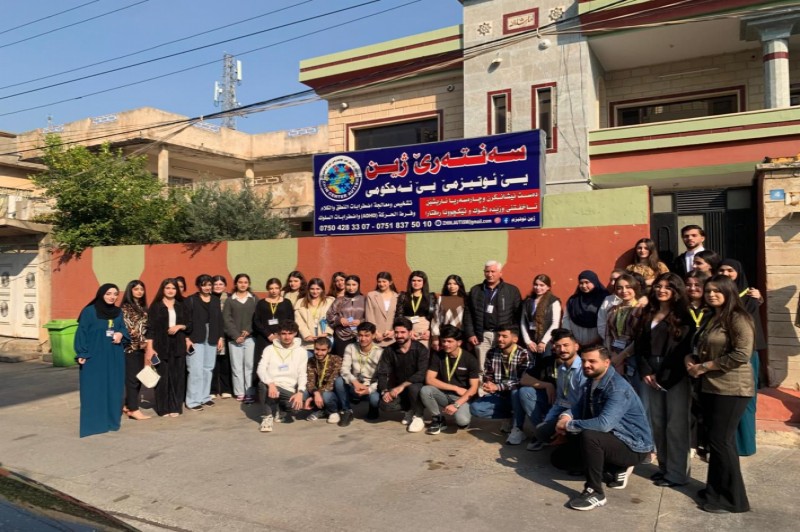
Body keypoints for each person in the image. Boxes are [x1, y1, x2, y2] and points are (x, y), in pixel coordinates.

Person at [686, 275, 754, 514]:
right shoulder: (712, 316)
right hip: (711, 386)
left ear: (728, 291)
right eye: (708, 291)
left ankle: (733, 500)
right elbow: (701, 346)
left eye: (717, 290)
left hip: (732, 388)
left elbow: (741, 354)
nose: (711, 295)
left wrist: (705, 367)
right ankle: (715, 491)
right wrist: (691, 359)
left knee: (721, 441)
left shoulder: (738, 317)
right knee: (717, 441)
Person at [557, 345, 654, 511]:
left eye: (592, 361)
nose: (586, 365)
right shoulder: (592, 380)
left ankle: (595, 492)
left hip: (633, 446)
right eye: (584, 361)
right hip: (611, 438)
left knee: (589, 436)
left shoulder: (618, 387)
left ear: (606, 363)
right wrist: (565, 417)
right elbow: (579, 407)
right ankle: (614, 468)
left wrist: (569, 425)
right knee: (559, 459)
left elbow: (603, 424)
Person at [635, 272, 693, 487]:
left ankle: (677, 474)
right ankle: (664, 468)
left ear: (676, 291)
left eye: (668, 287)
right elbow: (639, 344)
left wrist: (664, 377)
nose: (662, 290)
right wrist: (646, 370)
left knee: (675, 424)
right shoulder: (648, 313)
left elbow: (684, 349)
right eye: (658, 286)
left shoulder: (684, 316)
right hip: (650, 371)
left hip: (674, 373)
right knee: (658, 422)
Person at [718, 258, 764, 456]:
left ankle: (745, 445)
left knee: (745, 400)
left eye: (730, 270)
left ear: (739, 273)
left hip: (744, 353)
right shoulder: (717, 294)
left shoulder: (749, 296)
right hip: (723, 353)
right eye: (722, 270)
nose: (726, 274)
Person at [74, 284, 129, 437]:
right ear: (101, 294)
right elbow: (82, 332)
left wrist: (120, 334)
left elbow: (123, 329)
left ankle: (111, 422)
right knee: (94, 389)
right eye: (108, 293)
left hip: (114, 355)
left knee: (113, 389)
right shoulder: (89, 311)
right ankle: (95, 424)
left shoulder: (118, 312)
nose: (112, 297)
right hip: (94, 356)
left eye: (115, 294)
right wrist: (82, 352)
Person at [469, 325, 535, 445]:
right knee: (476, 408)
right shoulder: (492, 352)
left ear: (515, 339)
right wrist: (488, 383)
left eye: (504, 336)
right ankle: (510, 417)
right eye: (498, 336)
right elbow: (488, 374)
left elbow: (522, 380)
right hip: (500, 395)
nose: (499, 339)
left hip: (517, 395)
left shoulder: (524, 354)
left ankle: (518, 428)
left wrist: (498, 386)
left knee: (516, 392)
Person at [526, 329, 586, 451]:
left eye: (566, 345)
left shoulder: (584, 370)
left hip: (580, 415)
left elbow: (583, 405)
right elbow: (559, 401)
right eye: (558, 346)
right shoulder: (562, 369)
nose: (562, 349)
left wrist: (565, 417)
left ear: (576, 346)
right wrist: (547, 421)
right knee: (541, 430)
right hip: (565, 410)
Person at [419, 325, 479, 434]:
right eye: (443, 341)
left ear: (459, 342)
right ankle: (438, 419)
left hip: (462, 397)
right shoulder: (438, 355)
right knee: (425, 390)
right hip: (444, 394)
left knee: (462, 422)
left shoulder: (470, 359)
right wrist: (455, 388)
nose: (446, 344)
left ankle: (462, 414)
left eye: (450, 341)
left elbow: (474, 388)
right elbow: (429, 379)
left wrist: (456, 405)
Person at [463, 260, 522, 371]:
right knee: (482, 367)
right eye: (487, 271)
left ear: (500, 273)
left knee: (502, 366)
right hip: (482, 335)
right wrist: (470, 334)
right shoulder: (475, 290)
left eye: (493, 271)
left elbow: (518, 315)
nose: (490, 274)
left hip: (503, 336)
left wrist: (514, 335)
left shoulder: (512, 291)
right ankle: (482, 383)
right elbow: (468, 314)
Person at [375, 317, 430, 432]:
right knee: (385, 405)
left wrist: (402, 386)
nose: (399, 335)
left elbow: (422, 373)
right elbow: (383, 372)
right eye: (396, 332)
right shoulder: (389, 350)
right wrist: (385, 390)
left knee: (413, 388)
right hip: (398, 388)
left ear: (410, 333)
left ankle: (419, 416)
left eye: (403, 332)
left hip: (417, 387)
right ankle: (409, 410)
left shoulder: (421, 349)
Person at [145, 278, 189, 417]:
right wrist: (150, 348)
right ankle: (163, 408)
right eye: (168, 288)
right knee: (162, 378)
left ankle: (175, 407)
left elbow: (190, 324)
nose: (171, 291)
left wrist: (179, 326)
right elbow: (150, 329)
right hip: (160, 345)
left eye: (173, 288)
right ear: (162, 289)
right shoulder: (156, 306)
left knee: (177, 377)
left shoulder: (182, 305)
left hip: (178, 345)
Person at [256, 320, 308, 432]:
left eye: (290, 333)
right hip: (272, 385)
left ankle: (280, 408)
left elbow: (302, 374)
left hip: (288, 388)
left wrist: (300, 392)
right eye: (283, 333)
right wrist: (270, 383)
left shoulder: (301, 351)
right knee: (262, 385)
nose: (287, 337)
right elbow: (261, 369)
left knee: (296, 409)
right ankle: (267, 417)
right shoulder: (269, 349)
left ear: (295, 333)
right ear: (278, 334)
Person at [184, 274, 225, 412]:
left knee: (208, 368)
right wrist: (187, 338)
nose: (207, 287)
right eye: (204, 285)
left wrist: (220, 337)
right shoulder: (190, 300)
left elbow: (219, 320)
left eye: (209, 285)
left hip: (212, 335)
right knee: (195, 370)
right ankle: (192, 401)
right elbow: (185, 320)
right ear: (198, 286)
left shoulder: (215, 300)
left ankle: (204, 397)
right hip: (195, 336)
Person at [337, 321, 384, 421]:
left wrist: (369, 389)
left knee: (374, 399)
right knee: (339, 381)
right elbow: (344, 369)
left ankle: (373, 408)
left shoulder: (380, 352)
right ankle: (347, 410)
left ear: (373, 335)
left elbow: (382, 377)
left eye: (367, 335)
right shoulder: (351, 347)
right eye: (360, 335)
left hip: (371, 386)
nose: (363, 339)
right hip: (355, 384)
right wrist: (355, 382)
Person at [603, 273, 643, 388]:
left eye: (628, 287)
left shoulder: (641, 309)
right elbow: (608, 334)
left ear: (635, 288)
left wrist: (621, 357)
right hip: (614, 355)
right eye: (619, 288)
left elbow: (640, 337)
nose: (624, 291)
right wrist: (612, 355)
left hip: (634, 355)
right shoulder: (612, 310)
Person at [223, 273, 258, 403]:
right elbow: (226, 319)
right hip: (234, 340)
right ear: (236, 284)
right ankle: (240, 392)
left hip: (250, 338)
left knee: (249, 366)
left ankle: (250, 392)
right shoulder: (230, 300)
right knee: (236, 367)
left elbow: (257, 317)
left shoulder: (253, 299)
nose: (243, 285)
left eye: (245, 282)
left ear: (248, 284)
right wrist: (236, 335)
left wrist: (248, 330)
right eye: (240, 282)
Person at [120, 280, 150, 421]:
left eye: (141, 289)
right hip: (131, 348)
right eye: (136, 289)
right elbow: (129, 329)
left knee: (138, 378)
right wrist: (142, 341)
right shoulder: (125, 308)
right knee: (132, 379)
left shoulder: (142, 307)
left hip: (141, 348)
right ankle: (133, 409)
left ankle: (128, 405)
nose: (139, 291)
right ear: (130, 291)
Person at [253, 278, 294, 382]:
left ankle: (281, 385)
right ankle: (262, 386)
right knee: (263, 363)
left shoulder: (287, 303)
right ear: (267, 289)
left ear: (280, 289)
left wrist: (279, 334)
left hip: (282, 338)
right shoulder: (261, 303)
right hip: (264, 338)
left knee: (280, 362)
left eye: (276, 288)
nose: (274, 291)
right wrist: (268, 334)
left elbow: (291, 320)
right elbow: (256, 321)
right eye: (271, 288)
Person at [304, 337, 346, 425]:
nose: (319, 353)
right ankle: (321, 411)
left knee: (326, 395)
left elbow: (331, 384)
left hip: (332, 393)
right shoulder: (311, 360)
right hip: (317, 392)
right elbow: (310, 381)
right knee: (303, 394)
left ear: (329, 349)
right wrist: (315, 393)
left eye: (323, 350)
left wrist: (314, 397)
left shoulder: (336, 359)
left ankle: (333, 411)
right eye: (317, 349)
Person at [563, 271, 609, 347]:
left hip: (599, 343)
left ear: (594, 282)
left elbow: (607, 322)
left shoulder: (605, 299)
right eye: (581, 283)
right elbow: (566, 320)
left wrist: (598, 341)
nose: (584, 286)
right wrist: (571, 340)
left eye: (587, 282)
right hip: (576, 344)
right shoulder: (573, 300)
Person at [520, 274, 561, 357]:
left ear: (548, 287)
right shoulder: (528, 301)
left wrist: (543, 342)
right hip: (531, 342)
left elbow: (555, 324)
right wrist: (528, 341)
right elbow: (523, 322)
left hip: (548, 341)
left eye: (542, 285)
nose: (538, 288)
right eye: (536, 285)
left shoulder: (554, 302)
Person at [326, 274, 366, 356]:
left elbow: (370, 316)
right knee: (341, 360)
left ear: (358, 285)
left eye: (354, 285)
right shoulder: (339, 300)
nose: (351, 288)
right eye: (348, 285)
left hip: (360, 336)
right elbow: (329, 315)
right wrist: (339, 320)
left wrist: (360, 321)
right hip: (341, 336)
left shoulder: (365, 300)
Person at [395, 270, 435, 348]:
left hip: (424, 331)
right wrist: (408, 330)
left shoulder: (431, 297)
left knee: (423, 353)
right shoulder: (403, 296)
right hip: (406, 329)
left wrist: (429, 331)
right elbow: (399, 315)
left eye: (419, 281)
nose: (416, 283)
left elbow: (434, 317)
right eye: (414, 280)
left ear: (424, 282)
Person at [295, 277, 334, 356]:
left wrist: (327, 332)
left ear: (322, 289)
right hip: (307, 342)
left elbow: (332, 318)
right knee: (309, 361)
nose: (315, 291)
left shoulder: (330, 301)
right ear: (308, 289)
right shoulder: (300, 302)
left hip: (324, 339)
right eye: (312, 289)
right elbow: (299, 321)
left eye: (318, 289)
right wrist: (307, 335)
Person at [430, 274, 467, 352]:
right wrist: (435, 337)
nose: (452, 286)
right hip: (444, 335)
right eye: (449, 284)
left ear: (459, 285)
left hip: (460, 336)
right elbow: (436, 319)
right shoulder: (441, 299)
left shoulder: (465, 299)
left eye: (455, 284)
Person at [210, 275, 233, 399]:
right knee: (212, 363)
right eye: (215, 284)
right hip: (212, 333)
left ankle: (226, 389)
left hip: (227, 334)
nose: (218, 286)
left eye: (220, 284)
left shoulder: (230, 298)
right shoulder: (208, 297)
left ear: (225, 286)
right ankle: (212, 390)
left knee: (225, 362)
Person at [365, 272, 399, 347]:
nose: (381, 284)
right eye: (379, 282)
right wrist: (375, 332)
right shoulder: (371, 295)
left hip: (392, 338)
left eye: (384, 281)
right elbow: (369, 316)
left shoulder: (397, 297)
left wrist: (393, 331)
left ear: (390, 282)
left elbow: (399, 316)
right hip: (376, 337)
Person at [597, 269, 625, 341]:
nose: (612, 283)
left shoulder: (635, 299)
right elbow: (601, 322)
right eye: (611, 280)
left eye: (615, 279)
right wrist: (609, 339)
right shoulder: (608, 299)